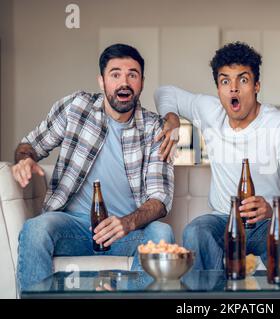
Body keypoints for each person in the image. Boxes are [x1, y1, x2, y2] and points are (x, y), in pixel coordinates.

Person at [13, 44, 175, 291]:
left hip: (126, 232)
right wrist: (24, 159)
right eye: (115, 74)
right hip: (73, 227)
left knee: (162, 234)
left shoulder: (155, 128)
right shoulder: (76, 107)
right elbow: (30, 145)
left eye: (132, 74)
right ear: (101, 81)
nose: (124, 82)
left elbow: (159, 198)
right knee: (36, 229)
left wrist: (127, 223)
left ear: (142, 82)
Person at [154, 42, 280, 270]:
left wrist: (270, 206)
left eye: (243, 80)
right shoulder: (209, 110)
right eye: (225, 81)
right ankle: (208, 302)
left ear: (257, 85)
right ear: (218, 88)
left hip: (269, 221)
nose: (234, 88)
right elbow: (164, 92)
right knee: (195, 231)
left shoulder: (279, 124)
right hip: (224, 220)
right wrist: (172, 118)